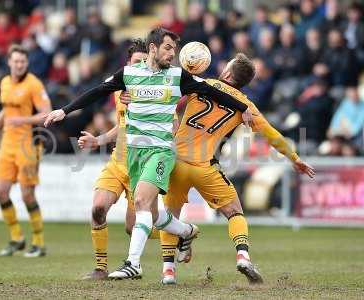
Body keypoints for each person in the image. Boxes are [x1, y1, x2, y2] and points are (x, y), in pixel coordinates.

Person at [44, 27, 254, 279]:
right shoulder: (129, 74)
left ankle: (133, 264)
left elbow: (215, 91)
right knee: (152, 215)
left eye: (174, 50)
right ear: (153, 48)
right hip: (134, 152)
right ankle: (186, 231)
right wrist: (65, 111)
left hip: (161, 151)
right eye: (167, 48)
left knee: (142, 202)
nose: (171, 54)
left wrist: (244, 107)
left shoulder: (178, 76)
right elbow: (98, 91)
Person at [154, 53, 314, 284]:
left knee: (171, 216)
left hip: (176, 163)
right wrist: (294, 158)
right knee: (235, 212)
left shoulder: (203, 84)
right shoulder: (246, 106)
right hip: (205, 167)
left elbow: (170, 100)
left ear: (228, 73)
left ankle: (168, 272)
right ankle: (242, 256)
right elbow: (272, 135)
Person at [78, 39, 160, 280]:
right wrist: (99, 140)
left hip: (141, 165)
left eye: (146, 62)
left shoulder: (155, 91)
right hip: (118, 161)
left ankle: (174, 234)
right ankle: (101, 269)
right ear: (127, 65)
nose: (141, 66)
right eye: (137, 62)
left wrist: (141, 103)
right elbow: (122, 126)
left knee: (131, 227)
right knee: (97, 209)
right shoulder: (118, 90)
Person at [0, 44, 52, 257]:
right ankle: (17, 237)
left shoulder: (34, 84)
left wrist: (23, 120)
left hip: (28, 144)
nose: (19, 65)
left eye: (23, 62)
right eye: (16, 61)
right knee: (1, 192)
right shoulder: (5, 82)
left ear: (26, 63)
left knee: (27, 195)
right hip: (7, 143)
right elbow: (6, 111)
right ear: (9, 62)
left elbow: (47, 113)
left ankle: (39, 242)